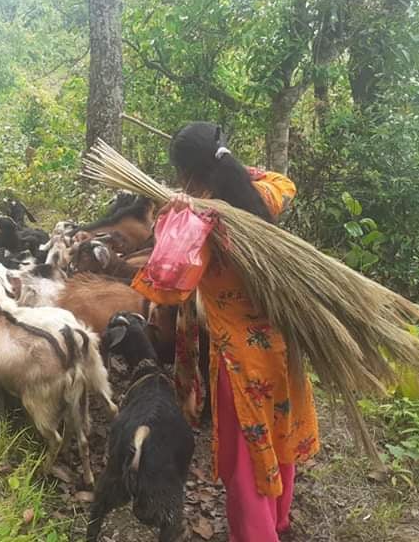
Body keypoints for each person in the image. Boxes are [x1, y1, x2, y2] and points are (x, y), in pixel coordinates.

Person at [131, 121, 319, 542]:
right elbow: (282, 182)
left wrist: (171, 218)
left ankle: (257, 535)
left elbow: (167, 288)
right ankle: (278, 520)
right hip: (282, 344)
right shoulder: (260, 197)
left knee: (247, 459)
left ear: (184, 173)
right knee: (278, 433)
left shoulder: (198, 225)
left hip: (241, 363)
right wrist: (230, 170)